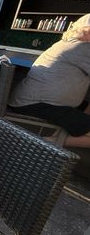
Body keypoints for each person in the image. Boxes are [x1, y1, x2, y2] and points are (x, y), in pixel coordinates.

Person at [9, 14, 90, 148]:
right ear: (85, 31)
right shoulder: (83, 47)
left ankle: (56, 138)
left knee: (86, 108)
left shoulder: (68, 42)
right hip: (39, 103)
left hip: (30, 100)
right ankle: (40, 143)